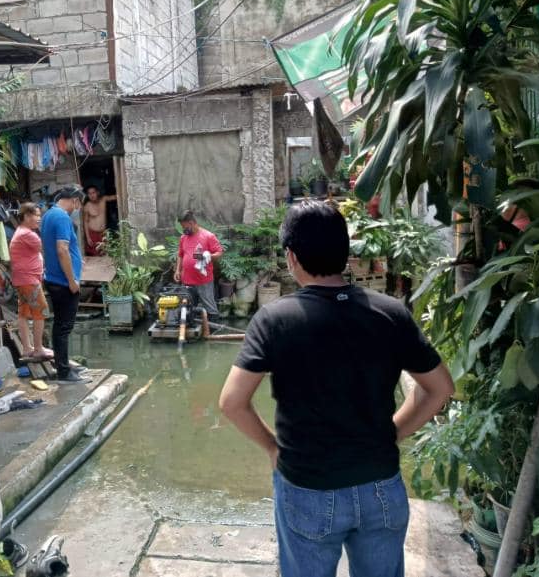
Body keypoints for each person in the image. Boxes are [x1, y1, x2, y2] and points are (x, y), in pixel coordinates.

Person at [219, 201, 454, 577]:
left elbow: (232, 402)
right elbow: (440, 388)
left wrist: (272, 447)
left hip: (308, 488)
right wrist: (393, 432)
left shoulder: (274, 320)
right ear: (346, 253)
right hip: (380, 486)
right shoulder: (390, 312)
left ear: (292, 257)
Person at [41, 184, 90, 384]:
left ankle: (63, 366)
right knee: (63, 328)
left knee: (59, 326)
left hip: (54, 278)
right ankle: (63, 372)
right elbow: (62, 249)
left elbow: (58, 249)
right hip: (63, 282)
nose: (78, 209)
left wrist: (77, 260)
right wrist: (72, 280)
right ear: (75, 200)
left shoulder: (48, 215)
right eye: (79, 204)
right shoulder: (62, 217)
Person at [9, 202, 54, 359]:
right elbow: (47, 247)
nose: (39, 219)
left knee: (23, 313)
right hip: (29, 279)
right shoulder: (27, 234)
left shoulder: (21, 232)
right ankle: (38, 349)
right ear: (27, 216)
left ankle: (27, 348)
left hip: (23, 279)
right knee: (40, 311)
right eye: (37, 215)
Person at [173, 210, 223, 318]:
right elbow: (180, 254)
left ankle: (213, 326)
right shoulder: (183, 238)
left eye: (184, 227)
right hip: (186, 280)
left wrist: (209, 256)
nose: (183, 229)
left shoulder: (208, 236)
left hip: (203, 281)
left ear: (191, 223)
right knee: (188, 308)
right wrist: (177, 270)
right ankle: (193, 326)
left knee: (210, 309)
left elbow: (219, 253)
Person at [82, 185, 117, 256]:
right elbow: (85, 222)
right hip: (92, 234)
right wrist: (88, 238)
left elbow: (116, 197)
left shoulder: (103, 200)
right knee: (95, 256)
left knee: (105, 254)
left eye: (93, 192)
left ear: (97, 192)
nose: (92, 195)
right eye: (89, 193)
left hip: (103, 233)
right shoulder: (87, 206)